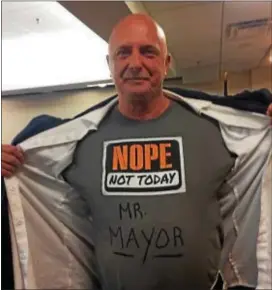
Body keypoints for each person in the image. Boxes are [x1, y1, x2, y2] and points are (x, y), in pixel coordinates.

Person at [2, 14, 272, 290]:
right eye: (123, 53)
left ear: (166, 63)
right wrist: (9, 167)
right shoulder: (77, 143)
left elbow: (259, 183)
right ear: (110, 65)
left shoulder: (217, 130)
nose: (135, 63)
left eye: (148, 52)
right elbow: (38, 199)